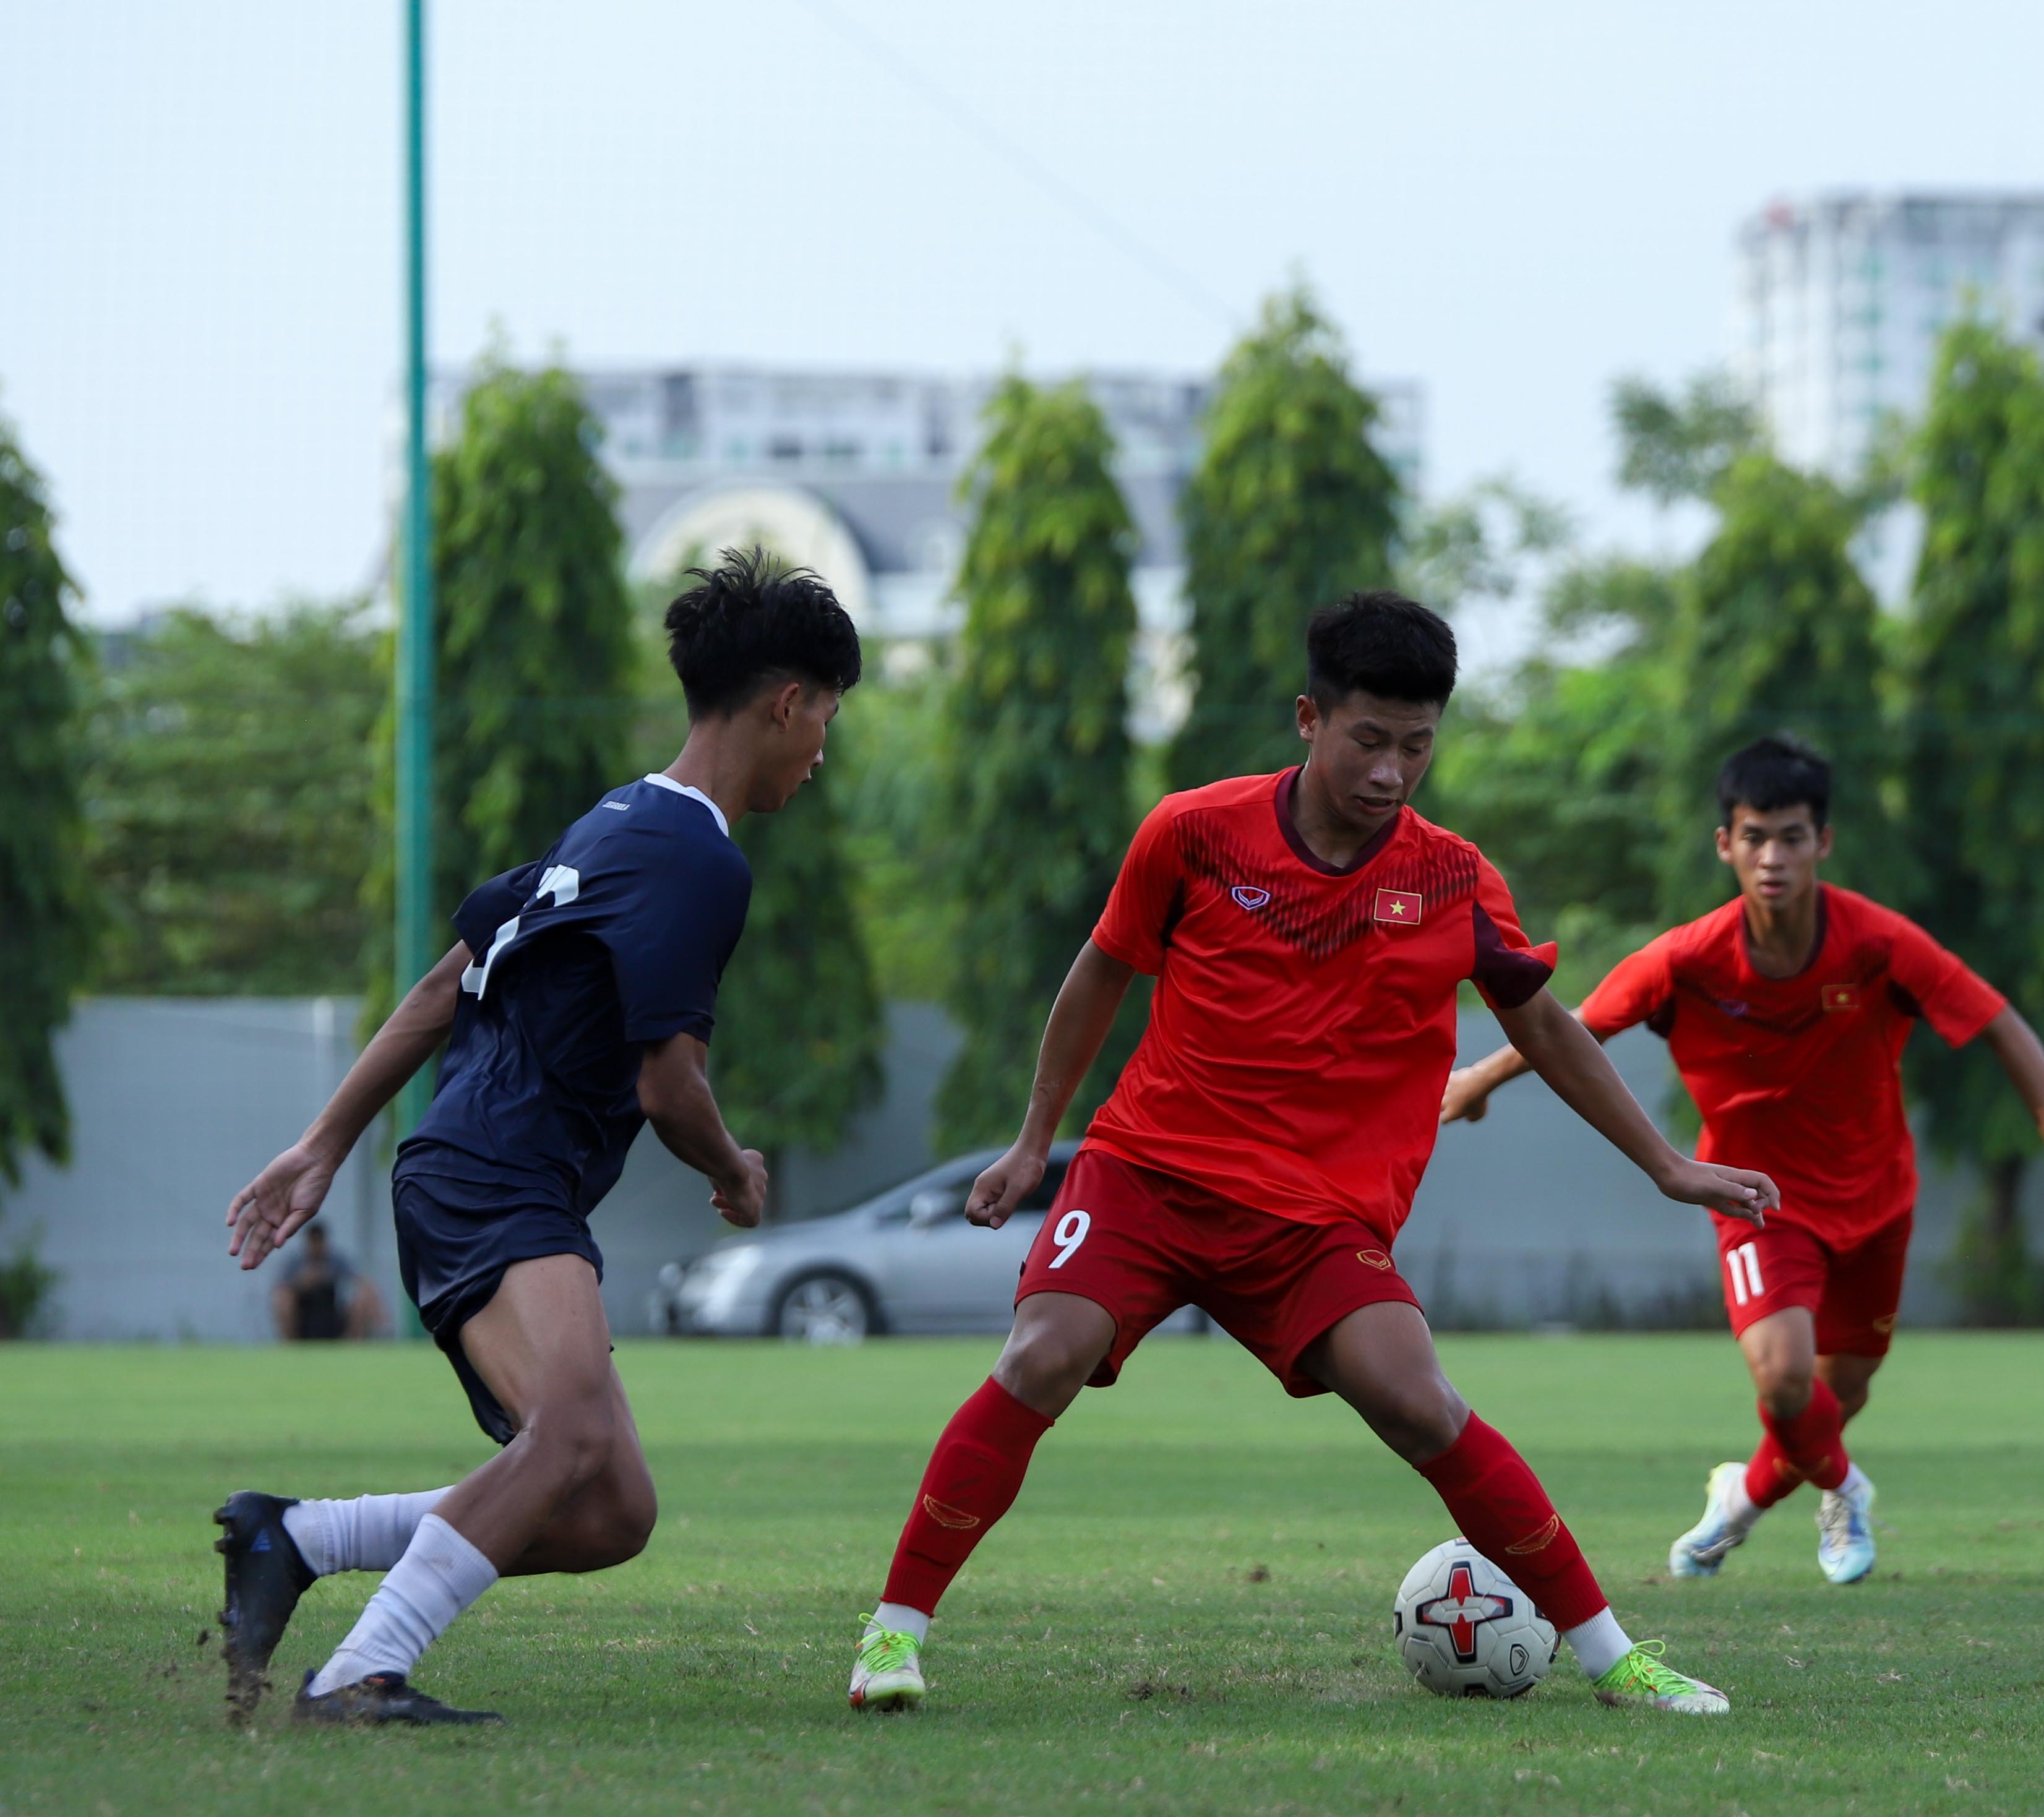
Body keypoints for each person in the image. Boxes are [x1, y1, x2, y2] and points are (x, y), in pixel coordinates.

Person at [848, 591, 1780, 1716]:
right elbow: (1100, 974)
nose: (1391, 771)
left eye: (1418, 744)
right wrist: (1035, 1140)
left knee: (1419, 1401)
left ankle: (1612, 1660)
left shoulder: (1452, 879)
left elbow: (1543, 1024)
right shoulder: (1192, 832)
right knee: (1042, 1355)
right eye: (1368, 739)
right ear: (1308, 718)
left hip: (1312, 1222)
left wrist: (1665, 1166)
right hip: (1148, 1176)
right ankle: (893, 1638)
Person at [214, 549, 856, 1725]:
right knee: (564, 1442)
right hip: (496, 1176)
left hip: (478, 1173)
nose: (821, 750)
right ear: (786, 703)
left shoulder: (611, 822)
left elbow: (441, 988)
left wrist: (323, 1145)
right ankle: (360, 1673)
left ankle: (296, 1539)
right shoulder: (698, 859)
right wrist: (735, 1169)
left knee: (611, 1510)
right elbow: (671, 1085)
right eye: (826, 719)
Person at [1440, 734, 2044, 1586]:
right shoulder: (1689, 956)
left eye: (1793, 837)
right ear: (1725, 843)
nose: (1773, 856)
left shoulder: (1878, 944)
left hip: (1877, 1199)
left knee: (1835, 1397)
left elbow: (2002, 1025)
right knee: (1783, 1378)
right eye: (1755, 835)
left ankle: (1743, 1498)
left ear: (1824, 842)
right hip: (1753, 1196)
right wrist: (1479, 1074)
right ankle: (1845, 1485)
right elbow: (1570, 1023)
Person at [268, 1221, 389, 1342]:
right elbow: (280, 1290)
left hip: (332, 1316)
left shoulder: (336, 1260)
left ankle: (354, 1344)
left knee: (364, 1296)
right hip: (303, 1317)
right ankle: (291, 1345)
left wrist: (377, 1308)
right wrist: (302, 1283)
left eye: (319, 1241)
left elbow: (361, 1281)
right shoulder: (296, 1262)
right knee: (282, 1298)